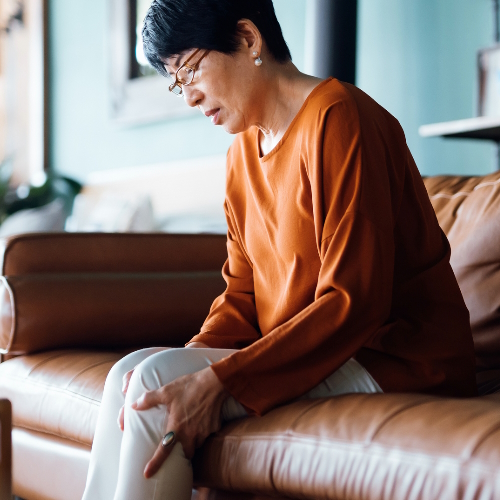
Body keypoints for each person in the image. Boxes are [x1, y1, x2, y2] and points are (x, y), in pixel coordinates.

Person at [82, 0, 477, 498]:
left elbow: (354, 301)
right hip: (320, 354)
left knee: (156, 384)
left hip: (394, 358)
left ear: (248, 39)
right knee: (133, 374)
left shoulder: (340, 118)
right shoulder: (241, 155)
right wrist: (196, 362)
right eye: (175, 82)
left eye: (189, 69)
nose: (187, 96)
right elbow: (242, 296)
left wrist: (221, 381)